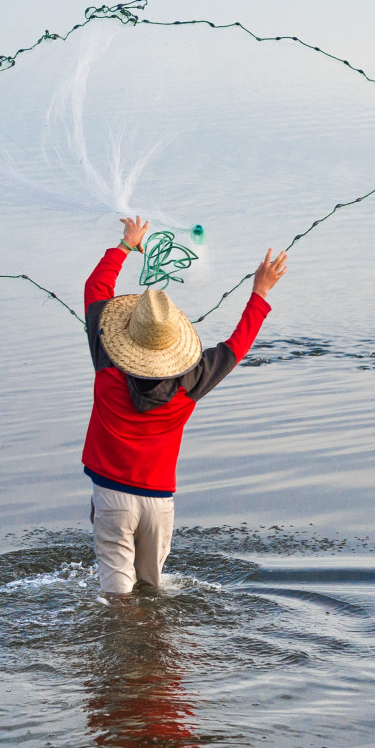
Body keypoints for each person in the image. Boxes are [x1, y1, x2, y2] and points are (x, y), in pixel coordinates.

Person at [83, 215, 288, 594]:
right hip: (159, 503)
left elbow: (96, 287)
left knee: (117, 597)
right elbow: (235, 348)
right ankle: (153, 650)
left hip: (111, 498)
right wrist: (260, 293)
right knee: (152, 592)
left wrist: (126, 244)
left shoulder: (107, 366)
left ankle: (120, 644)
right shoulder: (191, 383)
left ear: (126, 335)